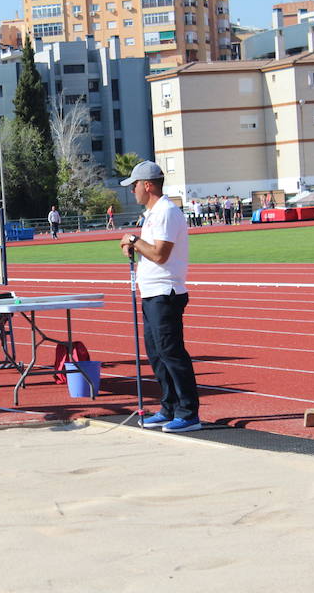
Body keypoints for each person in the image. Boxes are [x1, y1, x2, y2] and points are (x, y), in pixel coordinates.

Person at [119, 160, 201, 433]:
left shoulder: (166, 211)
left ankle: (189, 413)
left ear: (147, 185)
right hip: (152, 292)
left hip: (166, 293)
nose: (132, 192)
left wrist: (133, 240)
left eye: (134, 186)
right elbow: (149, 251)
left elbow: (159, 254)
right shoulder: (152, 214)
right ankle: (168, 407)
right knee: (156, 353)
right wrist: (133, 244)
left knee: (171, 352)